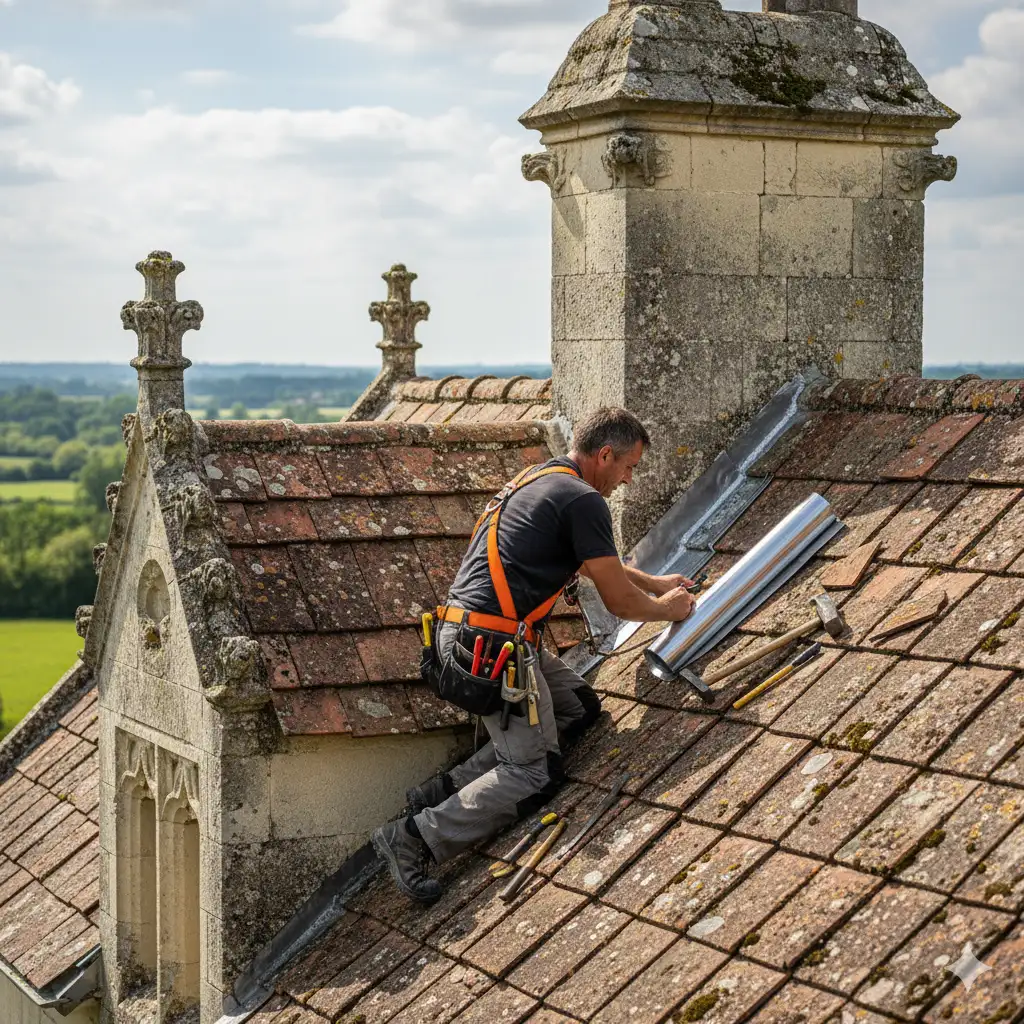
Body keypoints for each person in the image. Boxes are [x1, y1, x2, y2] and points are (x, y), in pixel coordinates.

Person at [372, 407, 696, 902]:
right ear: (604, 454)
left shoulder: (545, 479)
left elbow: (594, 567)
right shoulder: (585, 501)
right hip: (492, 651)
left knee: (578, 708)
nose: (628, 479)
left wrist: (656, 583)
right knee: (534, 772)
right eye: (629, 467)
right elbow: (619, 602)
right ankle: (415, 837)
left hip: (465, 637)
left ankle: (437, 793)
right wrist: (666, 608)